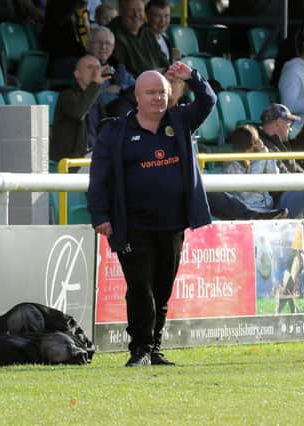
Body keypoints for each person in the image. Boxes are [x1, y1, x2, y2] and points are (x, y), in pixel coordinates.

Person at [87, 62, 215, 367]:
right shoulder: (116, 131)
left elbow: (208, 100)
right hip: (132, 225)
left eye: (162, 92)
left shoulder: (180, 121)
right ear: (137, 96)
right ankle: (140, 349)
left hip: (172, 225)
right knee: (140, 287)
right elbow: (99, 177)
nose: (158, 98)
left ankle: (155, 347)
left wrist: (193, 77)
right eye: (151, 93)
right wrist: (100, 215)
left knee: (162, 288)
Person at [218, 125, 288, 220]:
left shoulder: (255, 161)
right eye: (254, 144)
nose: (256, 148)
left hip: (267, 208)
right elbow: (248, 190)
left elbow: (274, 175)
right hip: (248, 210)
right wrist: (261, 158)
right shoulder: (231, 166)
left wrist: (265, 154)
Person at [50, 55, 111, 162]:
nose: (95, 71)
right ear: (77, 74)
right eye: (90, 67)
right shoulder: (67, 96)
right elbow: (79, 112)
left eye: (98, 67)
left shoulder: (96, 100)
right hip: (72, 159)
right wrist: (95, 84)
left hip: (94, 155)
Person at [109, 0, 169, 77]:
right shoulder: (112, 36)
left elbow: (164, 62)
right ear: (121, 11)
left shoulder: (148, 32)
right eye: (131, 10)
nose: (136, 14)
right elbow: (123, 74)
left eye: (140, 10)